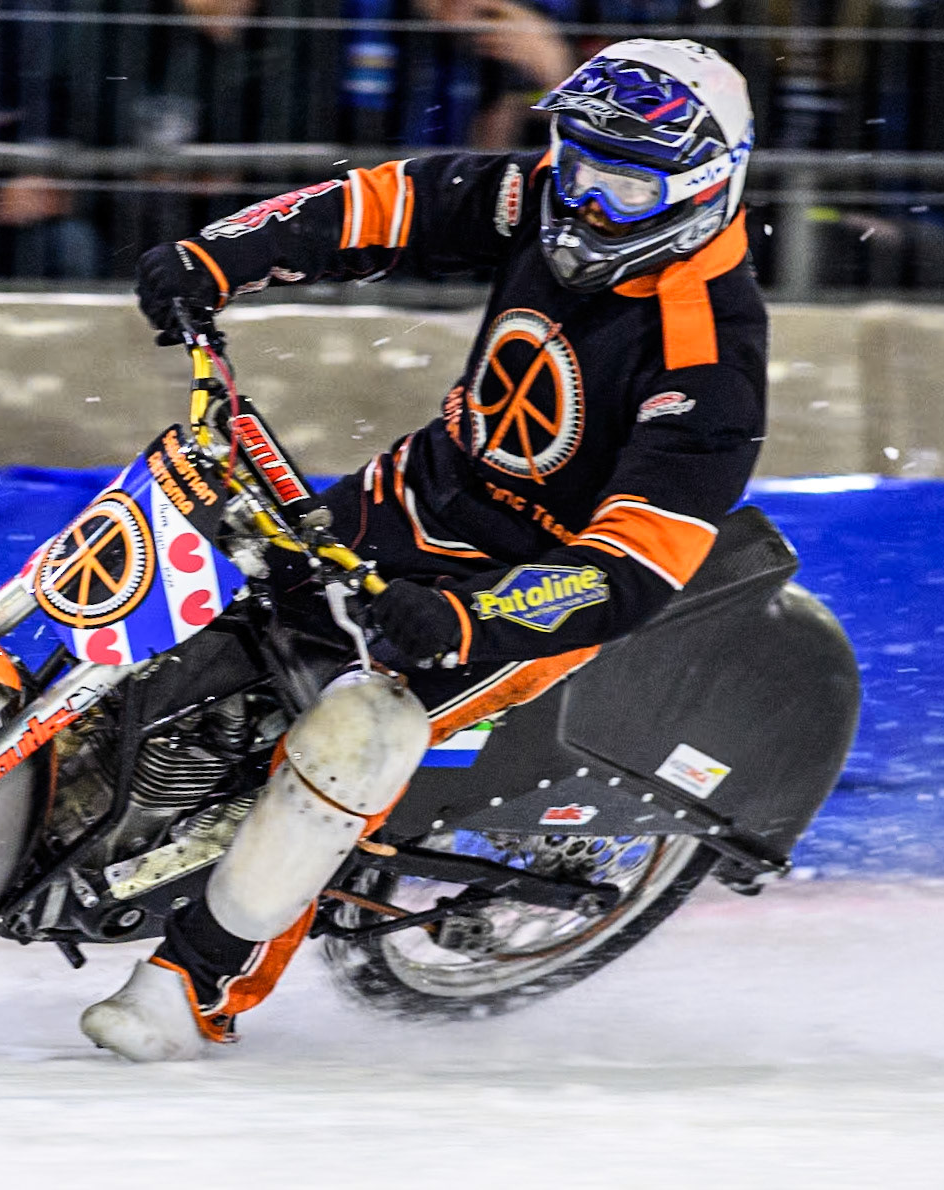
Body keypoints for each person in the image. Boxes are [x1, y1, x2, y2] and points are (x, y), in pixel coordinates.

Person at [79, 38, 766, 1060]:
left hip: (519, 594)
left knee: (354, 735)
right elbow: (391, 202)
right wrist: (219, 253)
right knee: (209, 597)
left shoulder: (708, 357)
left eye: (623, 185)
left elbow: (629, 569)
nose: (582, 201)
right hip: (413, 495)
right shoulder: (546, 196)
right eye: (575, 162)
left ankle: (197, 979)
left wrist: (465, 616)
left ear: (704, 188)